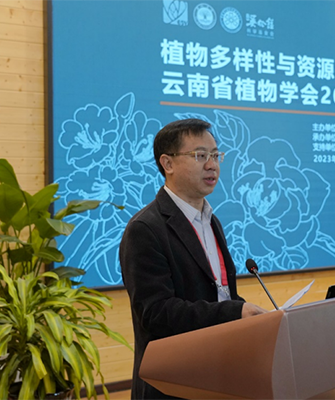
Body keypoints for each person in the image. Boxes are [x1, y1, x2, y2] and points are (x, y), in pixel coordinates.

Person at [119, 118, 268, 400]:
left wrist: (250, 316)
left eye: (216, 155)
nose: (212, 165)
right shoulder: (145, 229)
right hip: (174, 384)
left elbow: (219, 293)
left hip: (220, 374)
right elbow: (156, 313)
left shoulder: (212, 221)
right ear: (168, 163)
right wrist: (235, 312)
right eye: (200, 156)